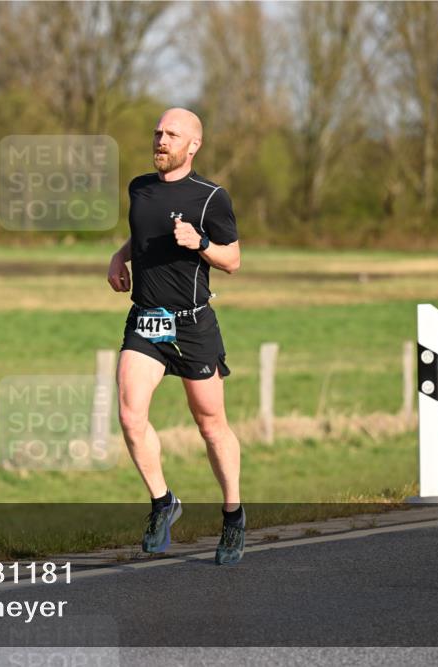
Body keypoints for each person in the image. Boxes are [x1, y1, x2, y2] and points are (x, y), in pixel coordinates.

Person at [107, 107, 246, 565]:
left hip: (192, 323)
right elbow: (141, 235)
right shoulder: (139, 188)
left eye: (171, 134)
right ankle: (163, 502)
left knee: (210, 424)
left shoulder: (212, 198)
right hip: (146, 319)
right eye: (157, 132)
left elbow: (233, 260)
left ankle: (232, 515)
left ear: (193, 145)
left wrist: (201, 244)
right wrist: (119, 257)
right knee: (130, 415)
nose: (160, 140)